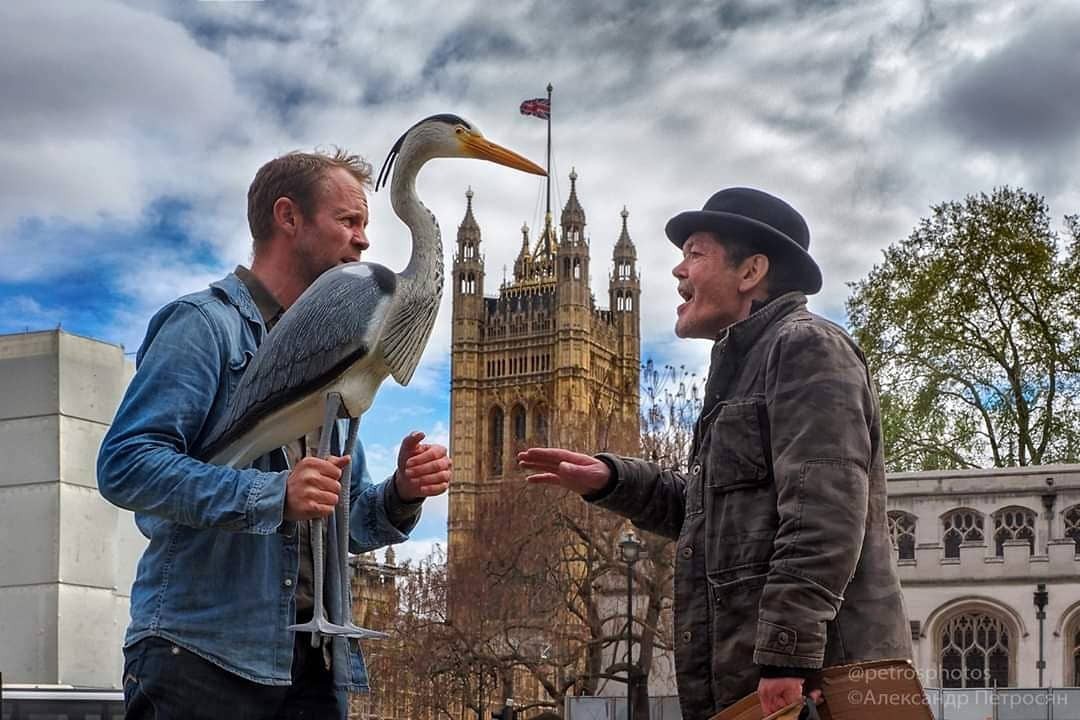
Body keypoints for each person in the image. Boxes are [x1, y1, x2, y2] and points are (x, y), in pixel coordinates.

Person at [518, 188, 911, 719]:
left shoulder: (805, 348)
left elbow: (825, 514)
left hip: (815, 687)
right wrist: (613, 480)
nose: (678, 272)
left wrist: (784, 660)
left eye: (695, 254)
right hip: (758, 684)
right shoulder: (742, 366)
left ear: (750, 272)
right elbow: (711, 513)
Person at [98, 149, 452, 720]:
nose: (363, 241)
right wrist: (273, 495)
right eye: (348, 221)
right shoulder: (203, 326)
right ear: (288, 218)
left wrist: (401, 493)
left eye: (365, 226)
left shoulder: (339, 345)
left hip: (314, 663)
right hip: (202, 658)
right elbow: (126, 465)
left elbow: (348, 523)